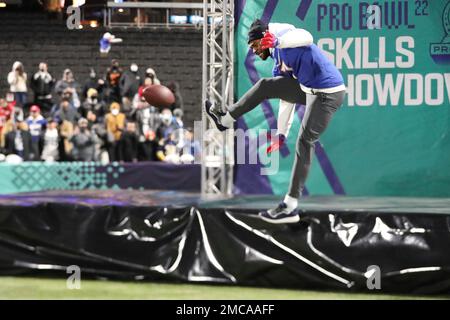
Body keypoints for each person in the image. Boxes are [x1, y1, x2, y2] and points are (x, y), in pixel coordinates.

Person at [205, 19, 346, 224]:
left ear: (264, 38)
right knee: (266, 85)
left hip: (328, 94)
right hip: (309, 91)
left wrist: (278, 40)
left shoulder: (287, 39)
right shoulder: (278, 56)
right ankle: (225, 119)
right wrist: (281, 133)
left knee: (305, 142)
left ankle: (290, 206)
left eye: (254, 46)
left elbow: (307, 37)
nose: (254, 51)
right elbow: (286, 99)